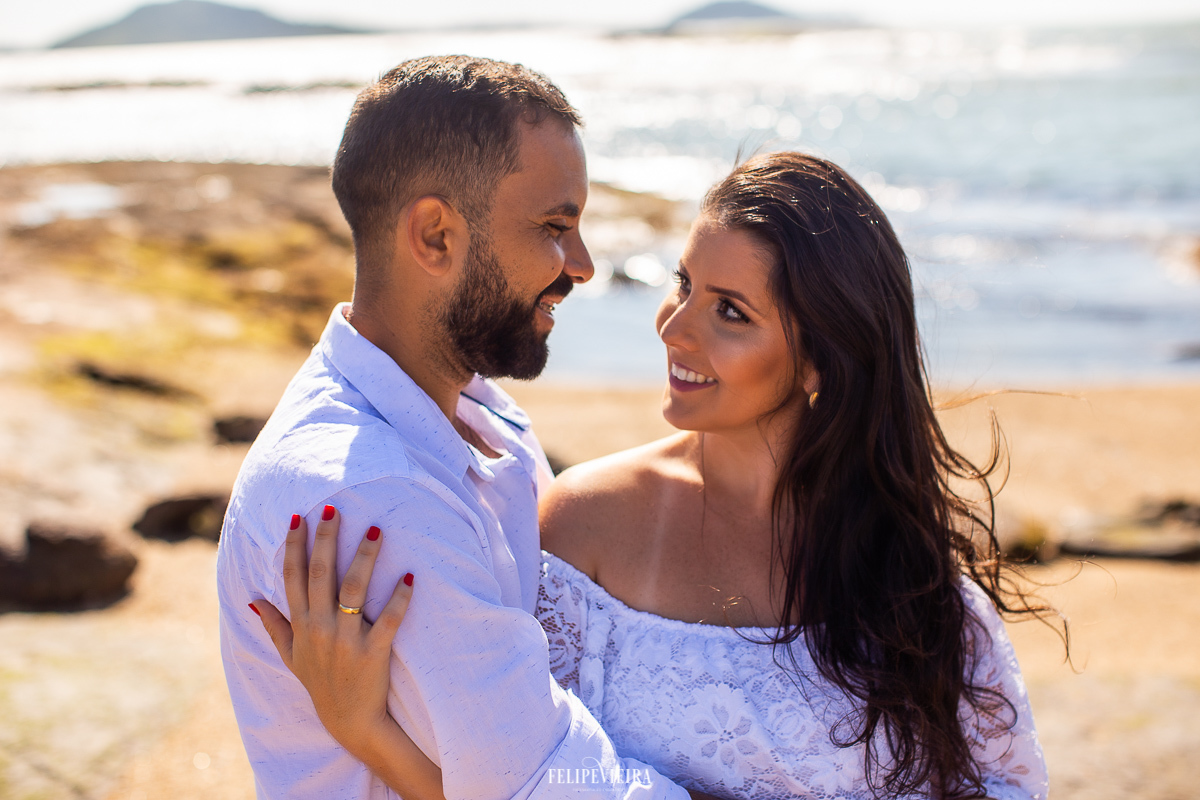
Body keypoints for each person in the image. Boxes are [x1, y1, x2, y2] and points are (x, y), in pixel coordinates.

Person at [255, 152, 1054, 799]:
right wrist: (369, 735)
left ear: (821, 357)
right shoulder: (584, 527)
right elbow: (531, 789)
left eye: (730, 311)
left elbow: (1007, 785)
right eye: (683, 285)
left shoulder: (911, 576)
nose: (674, 328)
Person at [218, 55, 707, 799]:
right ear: (436, 236)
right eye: (554, 226)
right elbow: (543, 783)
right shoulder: (375, 493)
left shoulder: (478, 411)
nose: (581, 265)